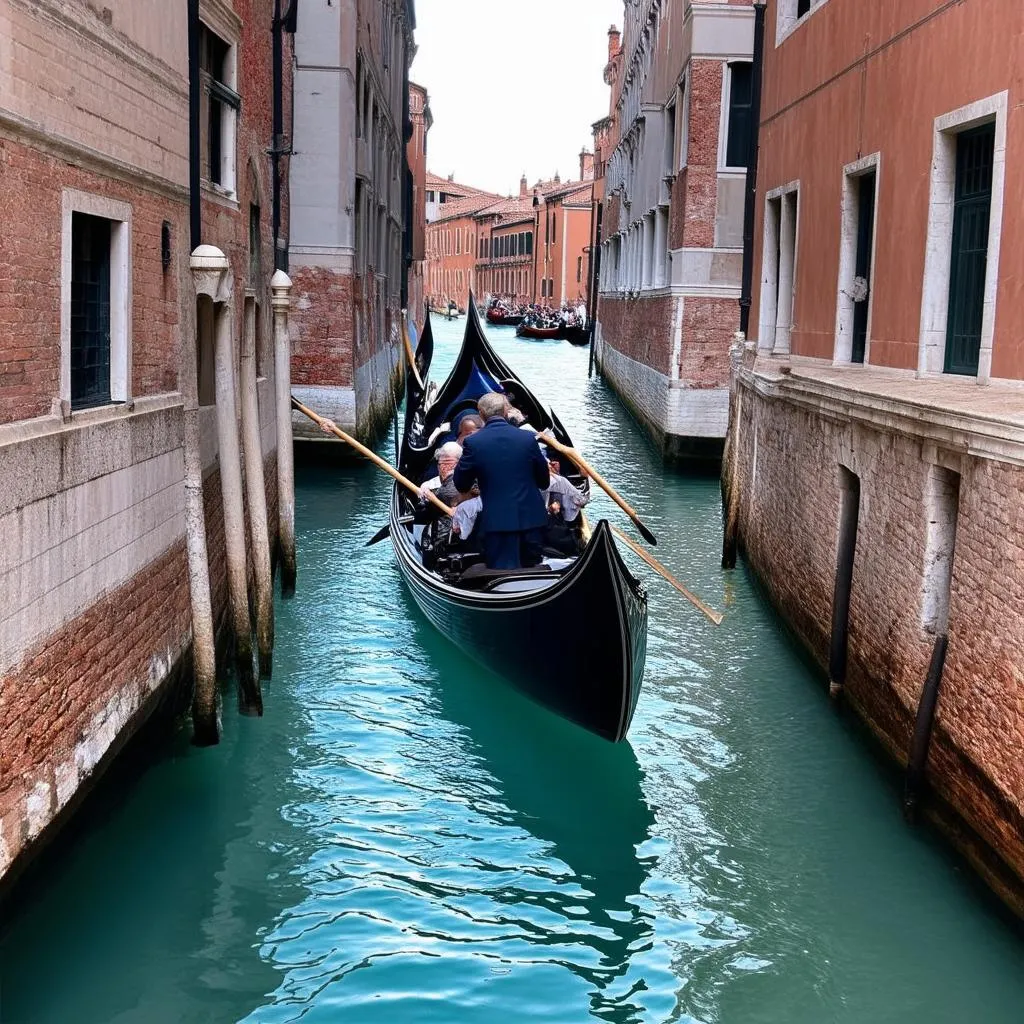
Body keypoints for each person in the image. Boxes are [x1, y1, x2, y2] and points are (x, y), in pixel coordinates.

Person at [452, 392, 550, 569]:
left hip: (498, 525)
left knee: (503, 576)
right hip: (533, 522)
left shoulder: (473, 443)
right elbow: (544, 481)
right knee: (533, 573)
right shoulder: (527, 439)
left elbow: (461, 484)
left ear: (480, 414)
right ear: (506, 411)